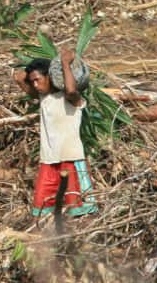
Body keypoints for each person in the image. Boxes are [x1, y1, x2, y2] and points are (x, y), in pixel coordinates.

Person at [13, 48, 98, 218]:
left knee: (81, 210)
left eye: (38, 80)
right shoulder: (44, 98)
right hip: (49, 161)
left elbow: (71, 90)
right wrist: (49, 65)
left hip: (71, 160)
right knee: (41, 209)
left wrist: (65, 64)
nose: (35, 85)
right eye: (33, 82)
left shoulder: (72, 99)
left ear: (49, 77)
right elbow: (19, 77)